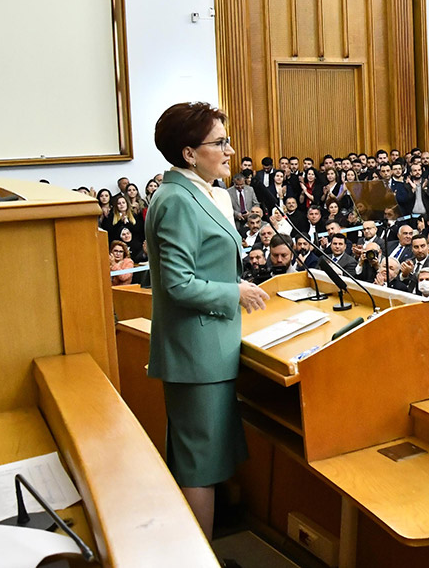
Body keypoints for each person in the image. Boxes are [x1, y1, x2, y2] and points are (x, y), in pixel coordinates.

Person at [146, 102, 269, 537]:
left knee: (205, 458)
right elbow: (178, 284)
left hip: (209, 346)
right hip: (196, 353)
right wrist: (233, 291)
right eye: (220, 143)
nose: (230, 150)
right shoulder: (176, 199)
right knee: (199, 464)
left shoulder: (199, 192)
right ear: (188, 153)